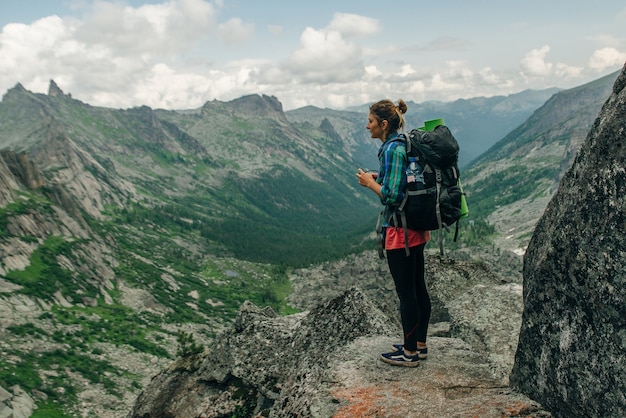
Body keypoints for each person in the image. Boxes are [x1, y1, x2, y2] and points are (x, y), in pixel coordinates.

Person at [356, 99, 431, 367]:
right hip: (417, 228)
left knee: (406, 293)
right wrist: (380, 176)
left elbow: (392, 196)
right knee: (418, 287)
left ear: (383, 124)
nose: (367, 126)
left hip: (401, 231)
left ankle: (409, 353)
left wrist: (369, 184)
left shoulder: (391, 149)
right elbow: (402, 180)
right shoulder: (403, 144)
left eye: (371, 121)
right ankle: (419, 345)